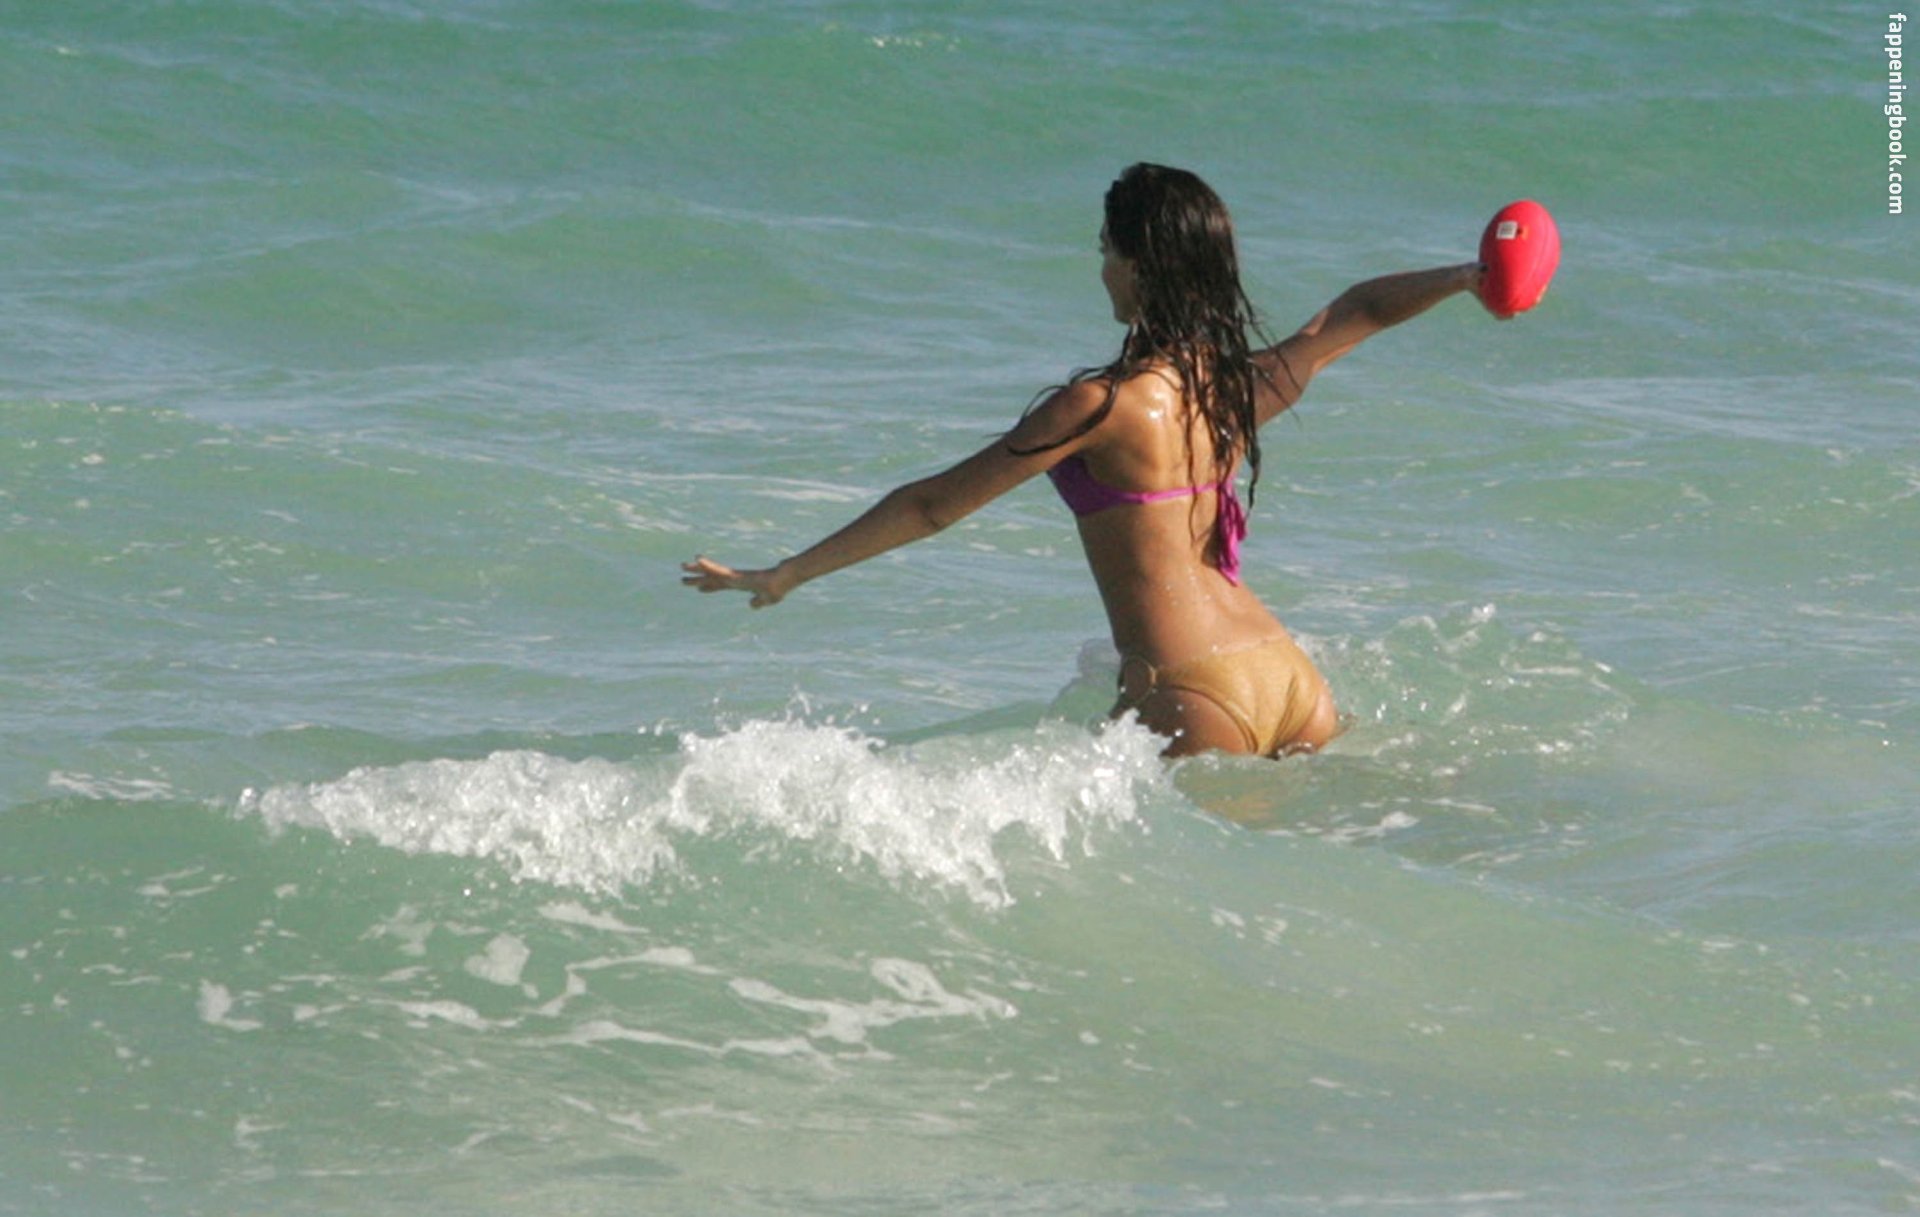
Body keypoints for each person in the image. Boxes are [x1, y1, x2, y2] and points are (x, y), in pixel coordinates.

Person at [683, 163, 1488, 759]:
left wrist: (787, 572)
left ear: (1140, 266)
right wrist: (1467, 277)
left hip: (1196, 690)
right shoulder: (1235, 388)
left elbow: (931, 506)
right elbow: (1356, 310)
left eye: (1107, 250)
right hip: (1288, 677)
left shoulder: (1100, 406)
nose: (1102, 267)